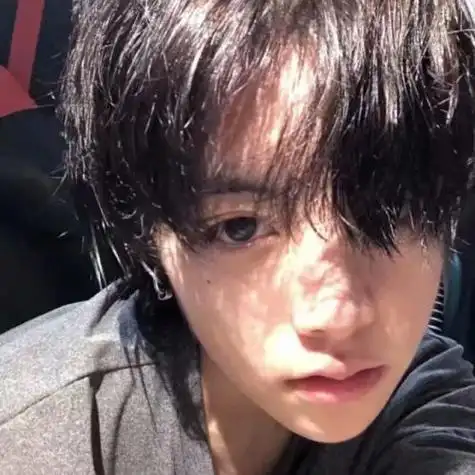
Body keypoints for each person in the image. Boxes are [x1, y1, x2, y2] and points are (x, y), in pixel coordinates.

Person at [1, 0, 475, 473]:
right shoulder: (35, 435)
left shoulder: (427, 398)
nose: (337, 319)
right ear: (150, 233)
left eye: (390, 211)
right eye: (240, 228)